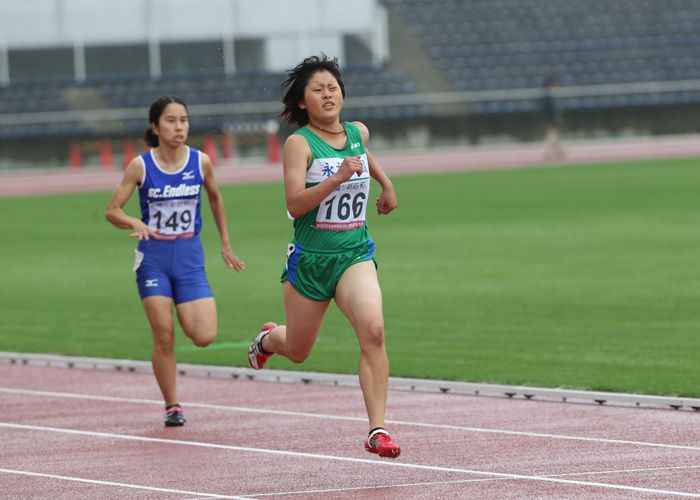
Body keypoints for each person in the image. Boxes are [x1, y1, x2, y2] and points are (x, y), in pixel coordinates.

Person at [247, 54, 401, 458]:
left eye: (332, 87)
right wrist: (337, 178)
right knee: (298, 350)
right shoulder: (298, 144)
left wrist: (385, 184)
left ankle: (377, 429)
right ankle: (268, 339)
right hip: (310, 261)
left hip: (354, 254)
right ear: (303, 102)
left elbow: (361, 154)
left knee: (374, 329)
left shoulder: (357, 132)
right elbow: (295, 204)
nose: (327, 94)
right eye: (317, 89)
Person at [106, 96, 245, 426]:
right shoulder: (141, 165)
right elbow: (112, 211)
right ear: (155, 126)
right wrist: (134, 222)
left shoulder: (201, 162)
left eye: (183, 119)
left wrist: (225, 243)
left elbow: (215, 197)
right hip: (153, 259)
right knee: (164, 335)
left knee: (203, 335)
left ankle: (185, 307)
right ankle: (172, 405)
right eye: (170, 120)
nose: (179, 126)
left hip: (189, 257)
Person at [542, 77, 565, 161]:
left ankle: (560, 152)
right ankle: (549, 153)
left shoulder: (551, 96)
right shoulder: (547, 97)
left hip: (553, 119)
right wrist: (553, 119)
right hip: (551, 120)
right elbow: (549, 110)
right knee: (552, 136)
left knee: (555, 136)